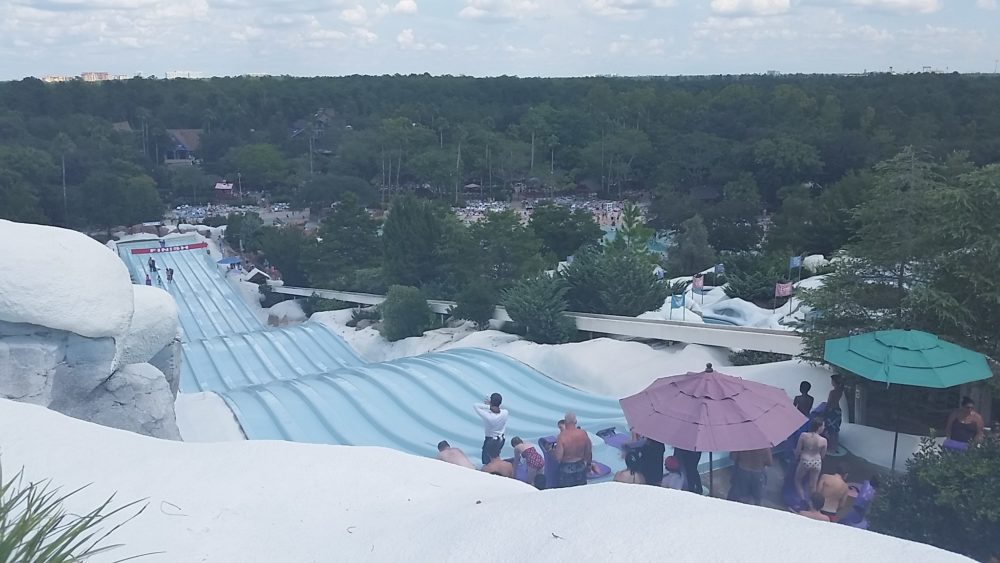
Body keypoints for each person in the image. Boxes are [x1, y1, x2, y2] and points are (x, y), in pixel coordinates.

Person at [554, 412, 592, 488]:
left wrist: (552, 451)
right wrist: (588, 464)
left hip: (566, 468)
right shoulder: (583, 433)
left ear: (565, 422)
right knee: (582, 490)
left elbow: (558, 457)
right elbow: (588, 450)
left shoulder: (561, 436)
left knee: (567, 492)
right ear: (576, 421)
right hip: (580, 466)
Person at [793, 418, 828, 502]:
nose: (824, 427)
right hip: (817, 461)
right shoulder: (823, 440)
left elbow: (798, 450)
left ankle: (802, 499)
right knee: (813, 485)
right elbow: (823, 455)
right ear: (819, 427)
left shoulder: (803, 435)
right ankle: (812, 502)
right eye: (823, 426)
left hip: (805, 459)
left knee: (797, 480)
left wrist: (796, 458)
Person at [474, 393, 508, 465]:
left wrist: (488, 406)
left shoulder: (488, 416)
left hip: (490, 441)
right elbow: (501, 407)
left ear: (491, 402)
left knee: (486, 462)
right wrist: (491, 404)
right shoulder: (505, 413)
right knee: (495, 458)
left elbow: (475, 406)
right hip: (501, 440)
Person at [824, 374, 845, 455]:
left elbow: (829, 403)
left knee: (831, 430)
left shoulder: (832, 392)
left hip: (832, 411)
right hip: (837, 410)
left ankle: (831, 447)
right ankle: (835, 446)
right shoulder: (840, 391)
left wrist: (825, 411)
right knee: (835, 430)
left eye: (832, 381)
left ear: (834, 382)